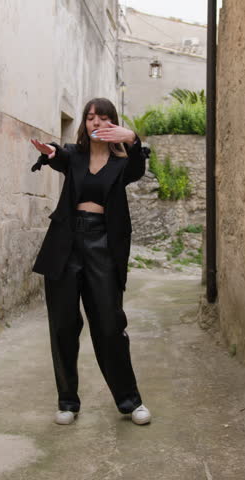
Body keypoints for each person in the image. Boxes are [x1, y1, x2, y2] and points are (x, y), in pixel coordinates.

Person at [29, 97, 151, 425]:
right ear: (84, 123)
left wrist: (133, 138)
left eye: (103, 117)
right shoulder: (75, 155)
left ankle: (130, 401)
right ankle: (67, 402)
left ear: (113, 122)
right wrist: (50, 152)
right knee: (63, 326)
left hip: (103, 245)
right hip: (65, 244)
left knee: (110, 325)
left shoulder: (123, 162)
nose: (96, 122)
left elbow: (138, 168)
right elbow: (59, 155)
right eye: (90, 117)